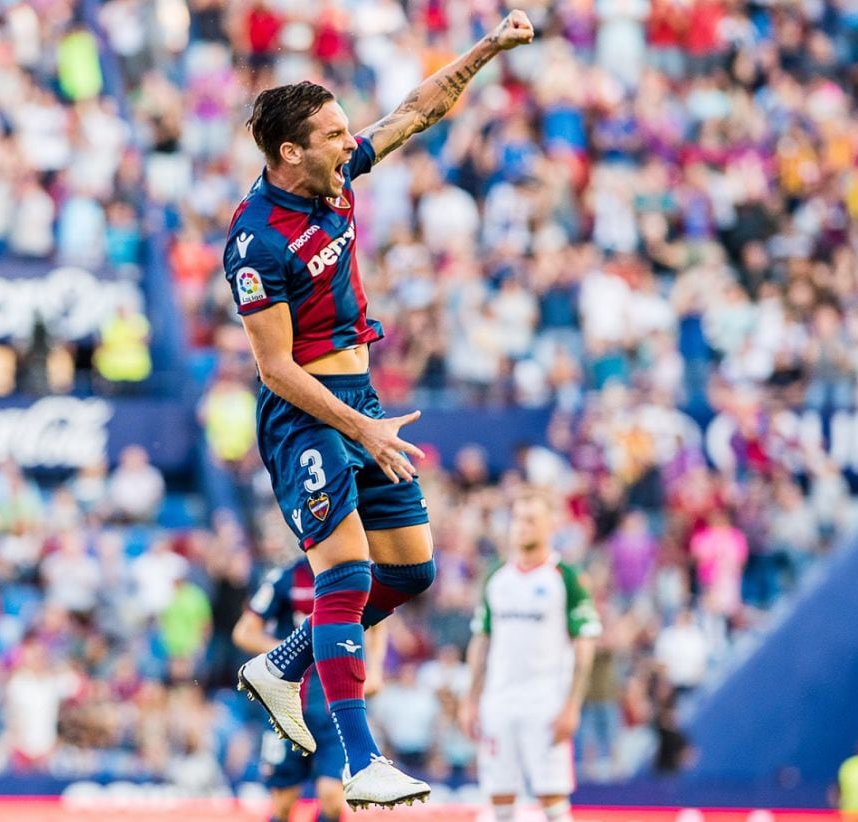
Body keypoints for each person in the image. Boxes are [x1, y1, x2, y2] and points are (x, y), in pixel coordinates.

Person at [225, 10, 536, 810]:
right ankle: (360, 761)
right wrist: (354, 427)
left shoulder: (337, 176)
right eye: (333, 134)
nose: (349, 140)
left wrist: (489, 48)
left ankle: (282, 662)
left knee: (412, 570)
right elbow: (273, 367)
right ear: (290, 151)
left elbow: (418, 109)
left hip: (360, 402)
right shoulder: (257, 240)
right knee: (350, 571)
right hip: (307, 417)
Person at [460, 488, 601, 822]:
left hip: (545, 702)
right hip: (499, 701)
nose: (522, 527)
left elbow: (585, 644)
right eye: (518, 520)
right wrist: (471, 700)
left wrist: (572, 705)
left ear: (550, 524)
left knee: (553, 800)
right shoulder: (497, 577)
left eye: (531, 519)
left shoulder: (566, 578)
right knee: (500, 800)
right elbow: (482, 641)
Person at [233, 557, 388, 822]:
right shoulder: (284, 579)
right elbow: (245, 632)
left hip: (335, 710)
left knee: (332, 797)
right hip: (287, 709)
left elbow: (379, 623)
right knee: (283, 802)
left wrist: (374, 670)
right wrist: (291, 651)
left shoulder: (357, 576)